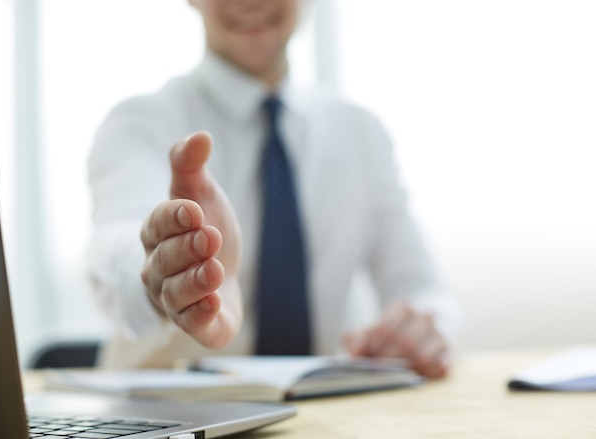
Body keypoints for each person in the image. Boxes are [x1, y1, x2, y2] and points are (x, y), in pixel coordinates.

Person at [87, 0, 461, 377]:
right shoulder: (139, 122)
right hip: (164, 416)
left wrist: (426, 328)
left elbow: (422, 288)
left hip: (319, 417)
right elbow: (113, 247)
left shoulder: (360, 131)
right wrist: (163, 270)